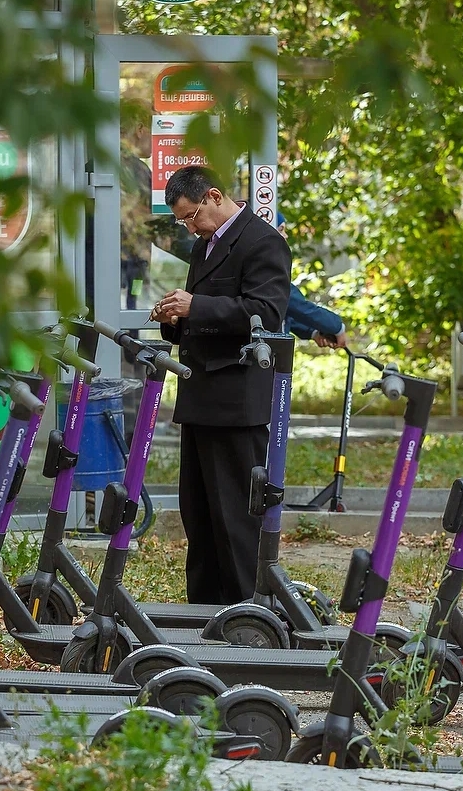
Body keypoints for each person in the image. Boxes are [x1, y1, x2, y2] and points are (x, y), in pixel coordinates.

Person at [149, 166, 291, 605]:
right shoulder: (203, 247)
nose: (190, 227)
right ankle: (205, 609)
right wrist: (174, 319)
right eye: (182, 221)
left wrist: (198, 307)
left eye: (192, 216)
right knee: (200, 514)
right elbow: (202, 315)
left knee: (235, 517)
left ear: (214, 196)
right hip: (200, 397)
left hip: (236, 401)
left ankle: (248, 610)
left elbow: (265, 313)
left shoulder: (262, 241)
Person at [275, 212, 348, 349]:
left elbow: (282, 311)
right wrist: (337, 327)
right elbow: (295, 304)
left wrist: (313, 332)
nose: (286, 236)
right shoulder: (267, 268)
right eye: (280, 230)